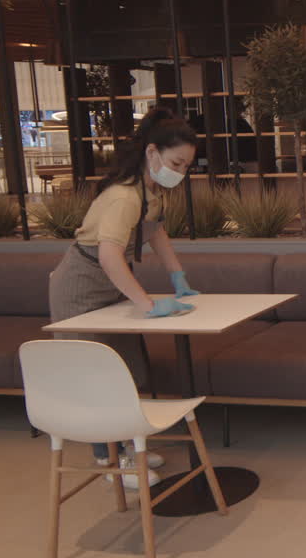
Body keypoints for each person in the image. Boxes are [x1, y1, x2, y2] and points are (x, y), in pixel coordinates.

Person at [48, 107, 199, 489]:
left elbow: (156, 234)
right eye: (176, 163)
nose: (179, 173)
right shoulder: (123, 197)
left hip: (110, 284)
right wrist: (146, 304)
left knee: (126, 365)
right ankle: (108, 459)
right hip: (80, 285)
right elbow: (109, 255)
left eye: (185, 167)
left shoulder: (149, 192)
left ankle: (130, 448)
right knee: (94, 372)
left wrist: (178, 277)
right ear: (153, 154)